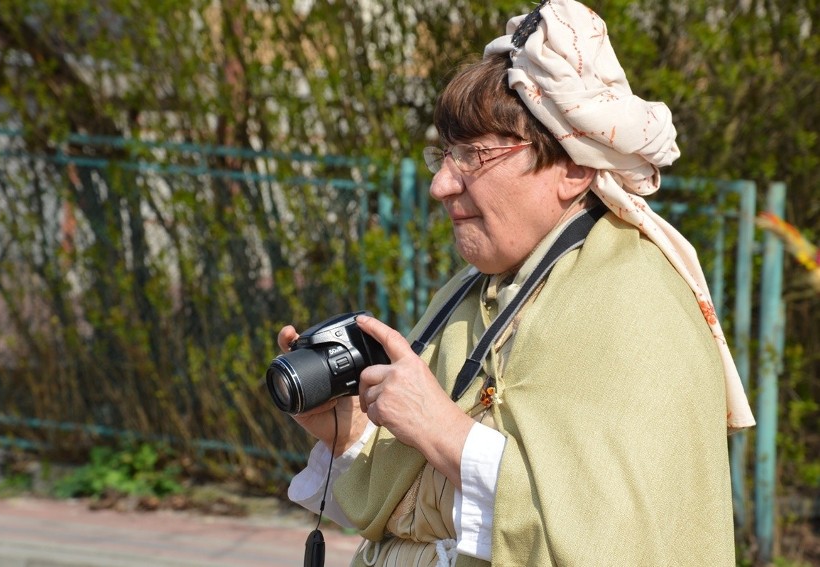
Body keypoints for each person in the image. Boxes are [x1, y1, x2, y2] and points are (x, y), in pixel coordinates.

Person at [278, 1, 755, 565]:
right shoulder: (470, 291)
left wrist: (444, 431)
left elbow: (613, 533)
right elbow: (416, 508)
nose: (441, 185)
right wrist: (348, 431)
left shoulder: (636, 303)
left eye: (473, 155)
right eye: (444, 154)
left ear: (573, 165)